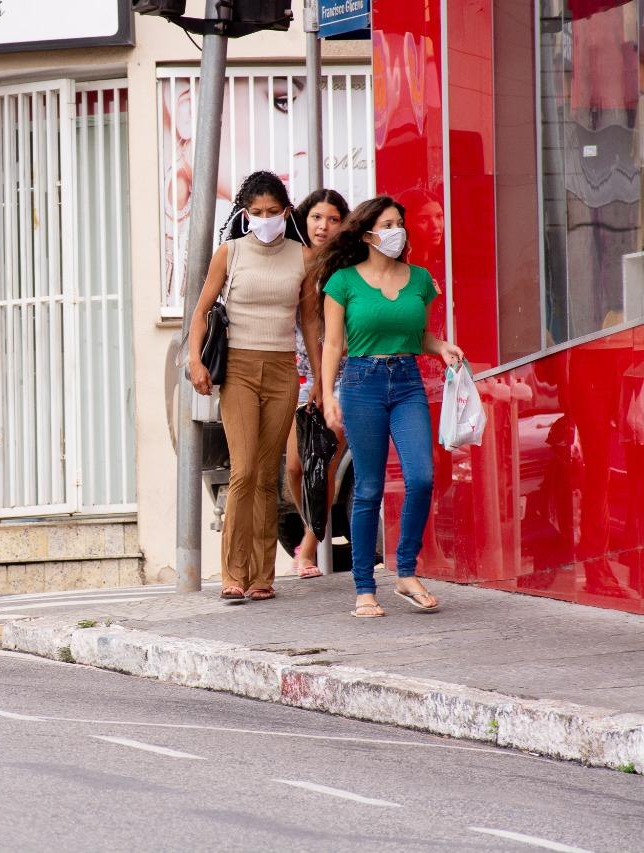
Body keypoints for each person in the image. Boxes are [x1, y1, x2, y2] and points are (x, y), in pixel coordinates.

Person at [318, 196, 465, 618]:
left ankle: (405, 571)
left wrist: (441, 348)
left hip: (406, 382)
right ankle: (364, 587)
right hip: (361, 382)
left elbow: (418, 335)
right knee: (368, 488)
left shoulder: (420, 279)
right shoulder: (342, 282)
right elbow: (332, 344)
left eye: (400, 223)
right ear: (367, 234)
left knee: (421, 477)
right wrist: (328, 396)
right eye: (387, 224)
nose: (396, 231)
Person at [188, 171, 323, 603]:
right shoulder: (230, 253)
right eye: (257, 213)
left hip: (283, 370)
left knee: (268, 476)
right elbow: (202, 310)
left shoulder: (302, 257)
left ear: (287, 211)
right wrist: (195, 360)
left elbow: (309, 322)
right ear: (245, 214)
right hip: (241, 369)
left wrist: (319, 379)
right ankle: (233, 573)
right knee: (244, 471)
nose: (265, 220)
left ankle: (263, 577)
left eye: (273, 212)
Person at [284, 189, 351, 578]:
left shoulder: (347, 266)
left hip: (341, 374)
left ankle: (309, 544)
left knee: (321, 461)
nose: (323, 226)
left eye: (333, 219)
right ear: (304, 219)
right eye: (316, 218)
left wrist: (325, 381)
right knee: (295, 466)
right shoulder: (291, 261)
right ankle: (314, 523)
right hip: (299, 371)